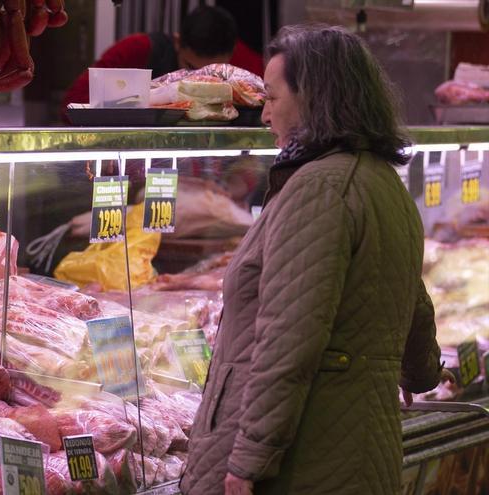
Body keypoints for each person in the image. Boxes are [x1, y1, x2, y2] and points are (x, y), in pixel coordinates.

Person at [180, 25, 452, 495]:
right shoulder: (382, 182)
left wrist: (248, 460)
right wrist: (419, 371)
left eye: (271, 97)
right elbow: (413, 299)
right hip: (361, 449)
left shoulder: (319, 188)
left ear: (314, 99)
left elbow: (289, 339)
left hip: (303, 464)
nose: (264, 114)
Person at [61, 6, 262, 121]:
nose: (203, 79)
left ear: (233, 53)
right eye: (192, 68)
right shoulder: (139, 49)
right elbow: (73, 105)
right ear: (177, 42)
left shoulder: (247, 66)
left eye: (216, 73)